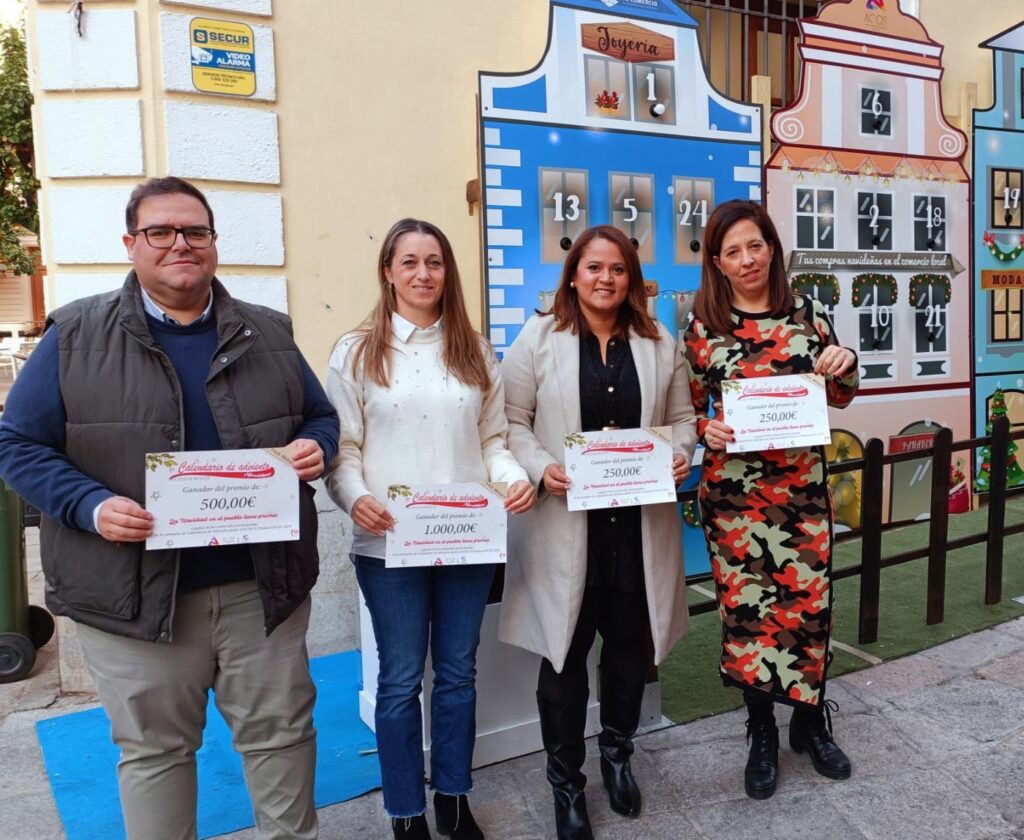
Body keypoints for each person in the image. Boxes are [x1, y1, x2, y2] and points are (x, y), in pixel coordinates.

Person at [0, 177, 339, 840]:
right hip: (134, 597)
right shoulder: (75, 335)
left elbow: (320, 417)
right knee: (155, 754)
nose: (180, 243)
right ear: (131, 244)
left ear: (213, 242)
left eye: (195, 231)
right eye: (161, 231)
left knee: (282, 740)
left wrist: (315, 446)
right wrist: (90, 505)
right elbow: (17, 445)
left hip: (261, 593)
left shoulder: (268, 332)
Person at [325, 218, 535, 840]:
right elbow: (343, 447)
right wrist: (356, 498)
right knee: (397, 682)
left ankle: (453, 797)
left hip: (466, 539)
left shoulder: (474, 350)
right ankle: (405, 811)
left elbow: (493, 439)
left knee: (459, 674)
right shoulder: (356, 351)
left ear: (448, 272)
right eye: (410, 262)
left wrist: (512, 478)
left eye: (435, 262)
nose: (423, 273)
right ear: (388, 272)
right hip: (388, 542)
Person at [498, 225, 697, 840]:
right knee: (563, 662)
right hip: (565, 530)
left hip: (635, 533)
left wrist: (681, 452)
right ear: (574, 275)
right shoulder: (538, 337)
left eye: (617, 268)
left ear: (630, 278)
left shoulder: (659, 341)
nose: (605, 278)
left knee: (629, 657)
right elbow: (510, 420)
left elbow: (683, 417)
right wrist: (540, 467)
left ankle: (617, 754)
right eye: (594, 267)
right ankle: (566, 783)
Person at [683, 199, 859, 800]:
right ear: (717, 263)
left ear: (772, 248)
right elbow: (687, 410)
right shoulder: (702, 328)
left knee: (808, 610)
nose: (747, 259)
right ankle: (761, 730)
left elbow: (841, 392)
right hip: (735, 502)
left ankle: (810, 724)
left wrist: (845, 361)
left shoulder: (808, 313)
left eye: (755, 245)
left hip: (802, 494)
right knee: (748, 616)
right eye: (732, 251)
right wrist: (704, 429)